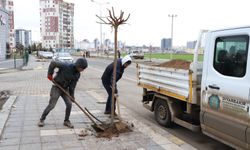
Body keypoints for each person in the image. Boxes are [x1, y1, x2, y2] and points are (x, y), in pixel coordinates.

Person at [38, 58, 88, 128]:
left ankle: (66, 121)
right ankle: (42, 119)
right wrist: (50, 74)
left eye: (84, 69)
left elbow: (72, 86)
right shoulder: (66, 66)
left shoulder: (77, 74)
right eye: (82, 68)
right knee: (52, 105)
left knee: (69, 104)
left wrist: (72, 96)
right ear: (77, 65)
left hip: (65, 89)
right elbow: (53, 63)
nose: (82, 70)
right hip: (57, 87)